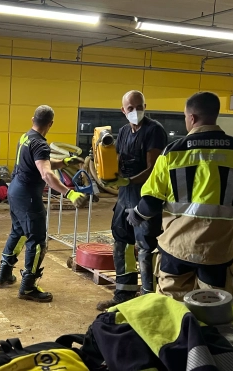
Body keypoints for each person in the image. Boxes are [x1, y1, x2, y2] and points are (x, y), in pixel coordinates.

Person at [125, 92, 233, 300]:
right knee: (213, 309)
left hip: (177, 247)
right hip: (218, 249)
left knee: (172, 306)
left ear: (192, 118)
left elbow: (151, 202)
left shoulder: (172, 152)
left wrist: (136, 214)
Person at [0, 105, 85, 302]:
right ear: (50, 124)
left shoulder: (26, 137)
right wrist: (69, 193)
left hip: (15, 191)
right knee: (37, 241)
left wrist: (65, 162)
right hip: (28, 196)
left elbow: (41, 162)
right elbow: (45, 173)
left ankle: (4, 274)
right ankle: (28, 287)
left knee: (18, 232)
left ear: (32, 119)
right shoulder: (41, 145)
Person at [96, 90, 168, 311]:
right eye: (130, 108)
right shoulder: (125, 131)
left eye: (139, 106)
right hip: (125, 196)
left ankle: (149, 299)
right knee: (122, 242)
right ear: (123, 110)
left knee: (146, 247)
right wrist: (105, 168)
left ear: (145, 106)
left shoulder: (154, 131)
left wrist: (127, 181)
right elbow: (118, 159)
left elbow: (153, 168)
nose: (135, 111)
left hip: (146, 196)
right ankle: (124, 294)